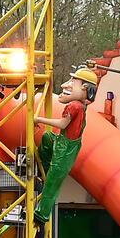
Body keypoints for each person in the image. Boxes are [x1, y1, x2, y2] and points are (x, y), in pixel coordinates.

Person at [33, 68, 98, 222]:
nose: (66, 86)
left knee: (52, 184)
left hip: (66, 148)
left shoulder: (75, 106)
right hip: (65, 143)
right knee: (48, 137)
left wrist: (40, 120)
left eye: (73, 82)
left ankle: (42, 214)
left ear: (83, 88)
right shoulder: (81, 106)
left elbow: (63, 124)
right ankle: (46, 168)